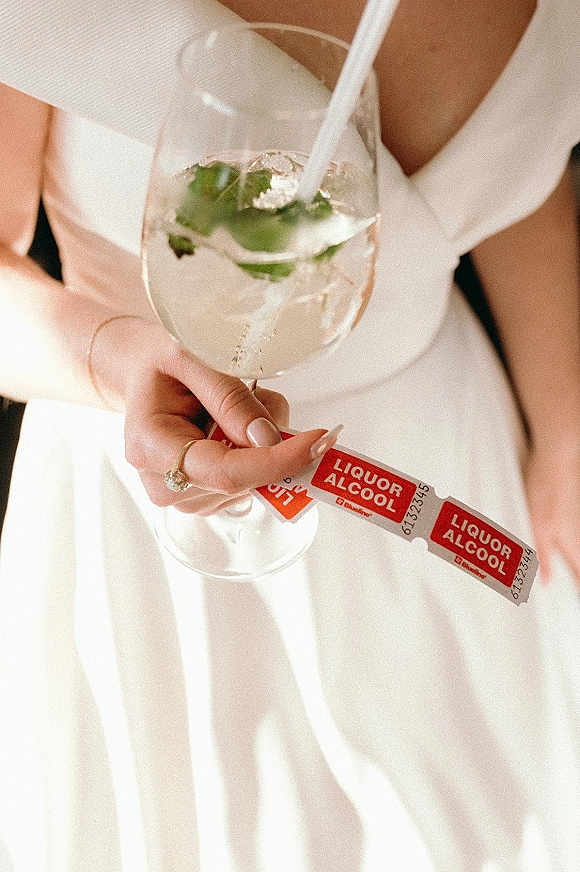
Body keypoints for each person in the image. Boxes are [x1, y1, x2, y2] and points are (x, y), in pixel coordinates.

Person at [0, 0, 580, 868]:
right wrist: (112, 360)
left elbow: (515, 174)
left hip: (447, 475)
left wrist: (565, 422)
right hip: (144, 505)